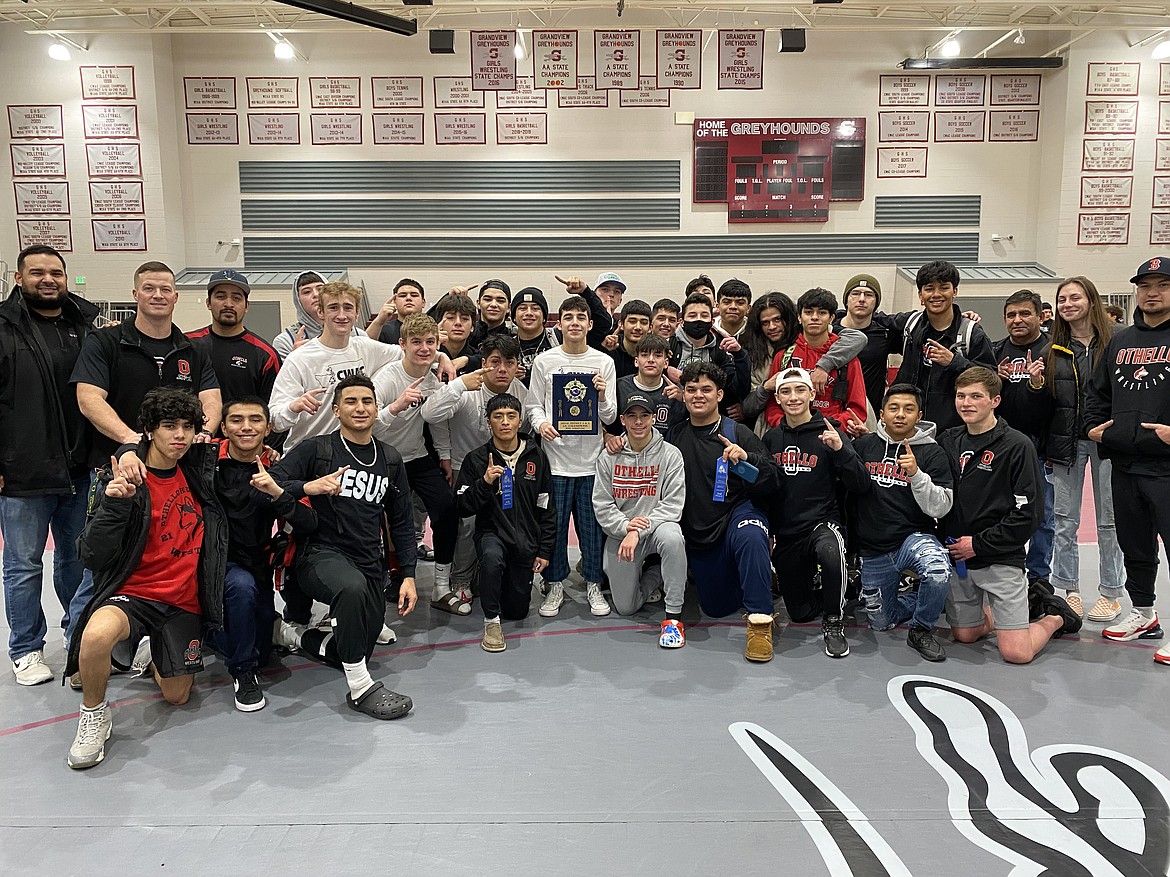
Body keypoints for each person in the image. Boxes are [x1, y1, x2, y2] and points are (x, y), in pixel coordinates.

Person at [65, 389, 227, 769]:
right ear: (149, 431)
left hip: (182, 601)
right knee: (95, 634)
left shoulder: (197, 469)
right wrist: (115, 504)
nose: (180, 436)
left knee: (177, 697)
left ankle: (153, 653)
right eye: (169, 426)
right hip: (134, 594)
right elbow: (90, 554)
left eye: (188, 427)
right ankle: (93, 715)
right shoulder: (119, 478)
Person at [266, 375, 418, 718]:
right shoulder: (316, 448)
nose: (360, 408)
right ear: (336, 410)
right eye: (350, 401)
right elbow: (270, 482)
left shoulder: (390, 459)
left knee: (355, 649)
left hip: (367, 561)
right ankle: (361, 689)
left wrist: (407, 575)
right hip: (318, 553)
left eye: (367, 401)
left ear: (377, 409)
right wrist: (309, 486)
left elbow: (403, 522)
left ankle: (292, 635)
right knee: (349, 590)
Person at [0, 245, 100, 686]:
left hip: (78, 468)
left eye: (56, 272)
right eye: (37, 272)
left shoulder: (85, 326)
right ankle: (26, 648)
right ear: (18, 278)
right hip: (22, 469)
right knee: (23, 565)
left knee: (76, 560)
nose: (48, 279)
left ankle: (76, 635)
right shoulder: (3, 329)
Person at [939, 367, 1081, 664]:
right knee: (965, 634)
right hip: (958, 558)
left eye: (976, 396)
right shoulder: (948, 440)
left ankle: (1054, 616)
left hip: (999, 557)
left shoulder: (1017, 445)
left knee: (1017, 653)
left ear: (995, 401)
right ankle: (1020, 609)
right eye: (961, 396)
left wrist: (977, 544)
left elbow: (1029, 515)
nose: (966, 403)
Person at [1085, 258, 1170, 665]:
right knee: (1134, 545)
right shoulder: (1120, 341)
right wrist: (1091, 428)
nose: (1152, 292)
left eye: (1163, 284)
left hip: (1168, 466)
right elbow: (1097, 393)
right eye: (1145, 285)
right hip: (1124, 463)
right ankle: (1145, 614)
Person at [667, 361, 779, 661]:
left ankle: (760, 622)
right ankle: (753, 575)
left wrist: (746, 459)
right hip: (700, 527)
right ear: (684, 394)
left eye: (706, 389)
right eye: (691, 389)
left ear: (719, 394)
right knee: (718, 607)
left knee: (752, 535)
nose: (698, 395)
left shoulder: (738, 432)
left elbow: (772, 479)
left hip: (737, 514)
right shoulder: (675, 436)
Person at [72, 260, 222, 473]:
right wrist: (130, 439)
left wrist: (203, 433)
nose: (158, 295)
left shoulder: (194, 350)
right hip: (116, 467)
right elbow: (89, 399)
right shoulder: (104, 342)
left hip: (178, 470)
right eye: (149, 288)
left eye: (165, 289)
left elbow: (211, 400)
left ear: (175, 297)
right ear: (135, 294)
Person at [762, 367, 869, 658]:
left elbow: (860, 484)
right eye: (786, 391)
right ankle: (837, 587)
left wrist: (840, 451)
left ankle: (834, 621)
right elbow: (765, 489)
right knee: (799, 612)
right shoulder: (771, 439)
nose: (793, 397)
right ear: (778, 398)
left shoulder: (831, 430)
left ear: (812, 394)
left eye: (800, 390)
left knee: (830, 552)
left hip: (823, 523)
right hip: (787, 532)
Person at [525, 294, 618, 617]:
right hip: (555, 461)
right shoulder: (545, 361)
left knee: (591, 528)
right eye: (569, 317)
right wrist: (542, 423)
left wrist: (603, 395)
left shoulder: (603, 361)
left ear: (590, 324)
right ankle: (554, 584)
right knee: (554, 527)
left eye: (581, 317)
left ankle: (593, 582)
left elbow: (609, 416)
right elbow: (533, 404)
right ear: (559, 323)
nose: (575, 322)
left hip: (592, 462)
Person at [851, 384, 955, 662]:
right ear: (882, 414)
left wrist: (917, 475)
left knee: (937, 571)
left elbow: (942, 507)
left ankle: (921, 629)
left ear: (919, 415)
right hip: (873, 548)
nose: (900, 415)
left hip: (914, 538)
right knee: (881, 622)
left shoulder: (933, 453)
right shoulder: (862, 446)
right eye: (894, 408)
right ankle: (926, 597)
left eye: (908, 409)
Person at [1045, 277, 1124, 623]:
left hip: (1107, 441)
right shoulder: (1053, 349)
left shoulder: (1118, 343)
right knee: (1064, 520)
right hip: (1066, 443)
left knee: (1109, 521)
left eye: (1074, 297)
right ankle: (1069, 589)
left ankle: (1111, 592)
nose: (1068, 304)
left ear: (1091, 300)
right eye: (1062, 299)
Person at [427, 334, 529, 600]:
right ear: (484, 363)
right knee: (468, 525)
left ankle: (499, 572)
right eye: (495, 362)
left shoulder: (520, 390)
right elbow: (431, 415)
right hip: (467, 468)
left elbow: (527, 428)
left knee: (507, 522)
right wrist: (458, 384)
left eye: (509, 362)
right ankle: (460, 580)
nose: (503, 369)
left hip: (507, 469)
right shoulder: (468, 387)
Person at [371, 314, 460, 613]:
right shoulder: (385, 379)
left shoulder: (434, 379)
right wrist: (395, 407)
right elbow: (367, 427)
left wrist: (445, 457)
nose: (424, 349)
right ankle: (395, 576)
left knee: (446, 509)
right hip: (385, 459)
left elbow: (437, 422)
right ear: (402, 344)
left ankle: (441, 584)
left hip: (419, 457)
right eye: (417, 342)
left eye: (431, 343)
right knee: (393, 521)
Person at [455, 393, 554, 652]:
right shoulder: (476, 459)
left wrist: (544, 550)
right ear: (489, 422)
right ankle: (491, 621)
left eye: (511, 416)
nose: (505, 422)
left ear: (520, 421)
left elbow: (547, 506)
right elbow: (462, 506)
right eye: (498, 417)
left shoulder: (537, 456)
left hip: (525, 540)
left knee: (517, 611)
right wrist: (485, 483)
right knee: (491, 557)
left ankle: (489, 581)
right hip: (492, 533)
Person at [593, 393, 688, 646]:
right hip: (622, 533)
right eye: (632, 416)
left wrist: (637, 531)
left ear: (653, 418)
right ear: (622, 420)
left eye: (644, 415)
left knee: (672, 537)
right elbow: (602, 506)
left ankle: (673, 619)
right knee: (626, 607)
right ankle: (656, 573)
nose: (638, 422)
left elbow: (672, 505)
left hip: (654, 529)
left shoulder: (671, 455)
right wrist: (626, 527)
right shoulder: (608, 457)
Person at [268, 281, 406, 452]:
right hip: (308, 457)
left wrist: (442, 357)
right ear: (321, 312)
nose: (342, 315)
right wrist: (293, 407)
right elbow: (274, 421)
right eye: (333, 307)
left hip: (352, 454)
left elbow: (409, 354)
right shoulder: (300, 358)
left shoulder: (366, 347)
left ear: (356, 313)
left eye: (348, 308)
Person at [992, 289, 1056, 592]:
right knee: (999, 511)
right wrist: (997, 381)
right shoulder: (995, 352)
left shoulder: (1053, 351)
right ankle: (1005, 568)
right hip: (1001, 444)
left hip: (1039, 445)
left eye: (1024, 314)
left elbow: (1057, 405)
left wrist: (1036, 384)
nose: (1017, 320)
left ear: (1040, 316)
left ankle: (1038, 577)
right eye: (1011, 315)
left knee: (1041, 515)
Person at [893, 260, 997, 431]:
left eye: (943, 287)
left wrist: (954, 362)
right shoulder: (910, 325)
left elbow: (991, 378)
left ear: (954, 291)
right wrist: (835, 316)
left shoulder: (972, 333)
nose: (936, 294)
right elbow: (871, 320)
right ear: (920, 295)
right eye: (929, 288)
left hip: (953, 433)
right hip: (910, 429)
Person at [763, 287, 867, 434]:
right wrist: (784, 425)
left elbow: (857, 409)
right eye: (808, 312)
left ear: (831, 318)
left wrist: (828, 428)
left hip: (832, 434)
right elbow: (773, 404)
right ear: (799, 317)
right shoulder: (784, 355)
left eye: (822, 312)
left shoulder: (848, 358)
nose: (814, 317)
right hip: (792, 433)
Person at [186, 269, 280, 407]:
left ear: (247, 306)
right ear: (208, 303)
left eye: (236, 298)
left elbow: (274, 410)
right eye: (220, 297)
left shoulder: (266, 356)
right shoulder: (188, 345)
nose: (228, 304)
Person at [670, 291, 751, 409]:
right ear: (681, 322)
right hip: (673, 413)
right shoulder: (669, 346)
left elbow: (737, 389)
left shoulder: (720, 349)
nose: (698, 320)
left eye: (704, 316)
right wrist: (664, 369)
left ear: (712, 322)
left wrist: (739, 355)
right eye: (692, 316)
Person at [834, 274, 899, 418]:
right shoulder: (829, 331)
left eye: (868, 295)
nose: (861, 299)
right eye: (855, 293)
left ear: (876, 302)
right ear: (846, 300)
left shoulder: (885, 335)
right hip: (832, 411)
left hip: (868, 414)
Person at [607, 333, 684, 447]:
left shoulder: (677, 393)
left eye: (657, 355)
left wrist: (683, 399)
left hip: (663, 456)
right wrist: (608, 437)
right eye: (644, 355)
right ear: (636, 361)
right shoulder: (619, 387)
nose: (651, 360)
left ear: (666, 363)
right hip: (624, 453)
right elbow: (603, 423)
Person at [272, 271, 362, 360]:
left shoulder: (358, 335)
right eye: (307, 292)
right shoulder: (285, 341)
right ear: (298, 301)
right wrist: (295, 359)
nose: (316, 294)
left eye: (320, 289)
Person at [511, 286, 560, 386]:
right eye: (522, 308)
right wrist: (509, 377)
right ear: (514, 318)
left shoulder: (559, 338)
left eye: (535, 308)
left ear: (544, 318)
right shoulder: (507, 345)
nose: (529, 313)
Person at [368, 278, 426, 345]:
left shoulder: (434, 329)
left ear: (423, 302)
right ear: (395, 302)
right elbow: (364, 348)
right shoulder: (383, 330)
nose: (408, 298)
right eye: (402, 295)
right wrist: (379, 320)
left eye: (414, 295)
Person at [608, 299, 653, 379]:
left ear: (650, 328)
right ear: (621, 324)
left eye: (643, 323)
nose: (638, 327)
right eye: (632, 321)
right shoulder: (610, 349)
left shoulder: (655, 354)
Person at [467, 280, 513, 349]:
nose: (493, 304)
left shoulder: (514, 340)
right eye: (488, 299)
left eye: (500, 301)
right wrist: (451, 297)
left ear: (508, 308)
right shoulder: (465, 334)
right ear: (478, 303)